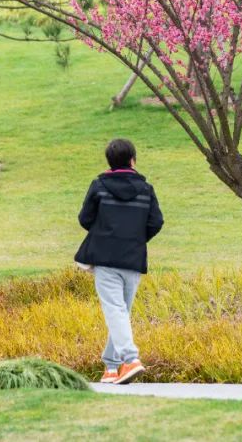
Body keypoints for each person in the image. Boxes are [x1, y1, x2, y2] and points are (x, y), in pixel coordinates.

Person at [75, 138, 164, 385]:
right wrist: (134, 238)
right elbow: (156, 222)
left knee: (115, 311)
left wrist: (105, 231)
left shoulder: (99, 186)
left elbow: (85, 218)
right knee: (120, 312)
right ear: (133, 160)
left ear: (110, 162)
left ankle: (130, 360)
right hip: (133, 258)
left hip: (105, 258)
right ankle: (111, 367)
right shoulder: (146, 189)